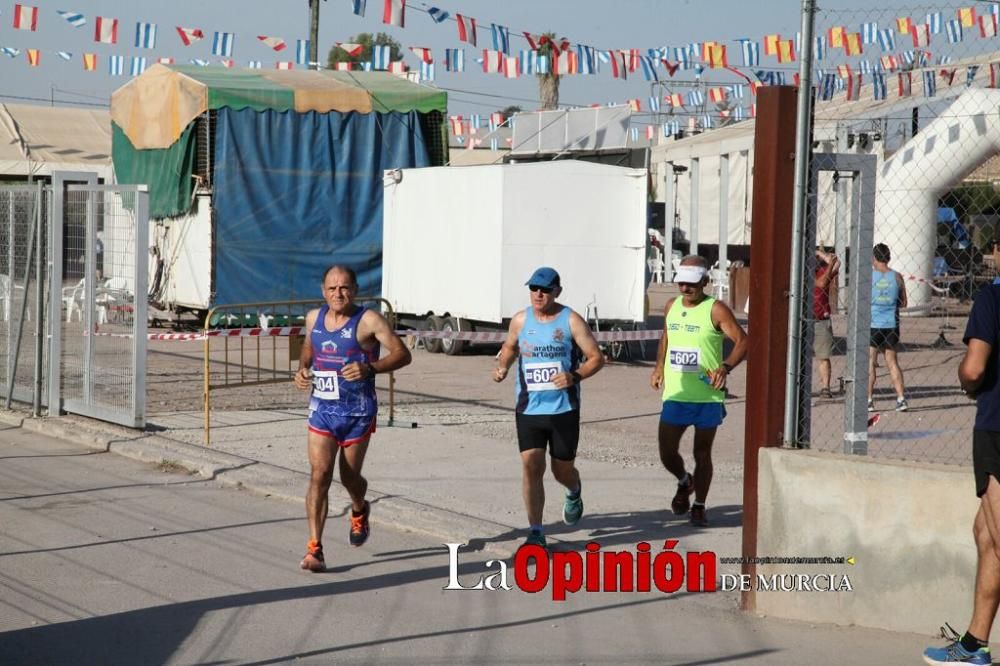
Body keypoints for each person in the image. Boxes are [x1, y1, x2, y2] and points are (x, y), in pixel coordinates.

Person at [293, 265, 412, 572]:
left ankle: (359, 508)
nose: (338, 294)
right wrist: (303, 368)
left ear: (355, 290)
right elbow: (309, 346)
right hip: (322, 409)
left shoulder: (369, 320)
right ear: (323, 291)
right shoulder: (313, 318)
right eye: (332, 288)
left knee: (349, 477)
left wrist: (370, 368)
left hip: (357, 412)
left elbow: (402, 354)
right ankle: (314, 548)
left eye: (344, 288)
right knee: (319, 474)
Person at [493, 267, 605, 549]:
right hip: (529, 408)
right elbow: (509, 347)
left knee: (561, 471)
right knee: (531, 465)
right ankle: (536, 530)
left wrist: (575, 375)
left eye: (544, 289)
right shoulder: (520, 320)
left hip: (563, 409)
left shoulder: (571, 321)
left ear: (557, 291)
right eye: (533, 289)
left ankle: (574, 490)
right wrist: (503, 366)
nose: (538, 294)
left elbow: (596, 358)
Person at [922, 284, 1000, 666]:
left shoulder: (992, 298)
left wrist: (966, 380)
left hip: (997, 430)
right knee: (985, 533)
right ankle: (974, 643)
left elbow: (974, 368)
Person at [650, 255, 748, 527]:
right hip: (677, 394)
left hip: (707, 396)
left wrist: (725, 367)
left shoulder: (715, 309)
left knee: (702, 453)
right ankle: (684, 481)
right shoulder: (671, 305)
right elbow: (666, 337)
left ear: (705, 281)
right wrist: (659, 367)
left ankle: (700, 505)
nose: (685, 288)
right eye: (681, 283)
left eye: (691, 284)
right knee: (666, 452)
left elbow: (742, 341)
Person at [868, 243, 909, 412]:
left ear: (874, 258)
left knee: (870, 361)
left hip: (873, 323)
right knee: (892, 362)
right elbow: (904, 302)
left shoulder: (869, 277)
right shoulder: (897, 277)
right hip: (891, 324)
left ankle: (869, 400)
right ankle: (901, 398)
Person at [814, 247, 840, 398]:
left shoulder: (824, 272)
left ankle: (825, 387)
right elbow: (821, 284)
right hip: (804, 320)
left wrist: (819, 253)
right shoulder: (801, 275)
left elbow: (837, 262)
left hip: (820, 320)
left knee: (823, 356)